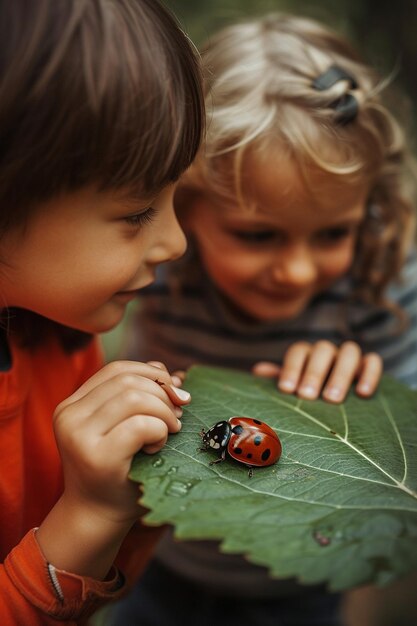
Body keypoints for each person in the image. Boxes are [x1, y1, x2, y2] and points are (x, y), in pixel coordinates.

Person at [111, 12, 417, 626]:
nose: (298, 270)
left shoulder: (379, 281)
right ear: (186, 205)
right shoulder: (167, 271)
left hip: (296, 578)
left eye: (333, 232)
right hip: (165, 555)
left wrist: (363, 393)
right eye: (258, 235)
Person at [0, 1, 204, 624]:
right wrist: (89, 514)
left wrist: (129, 495)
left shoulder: (58, 333)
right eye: (137, 211)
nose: (176, 242)